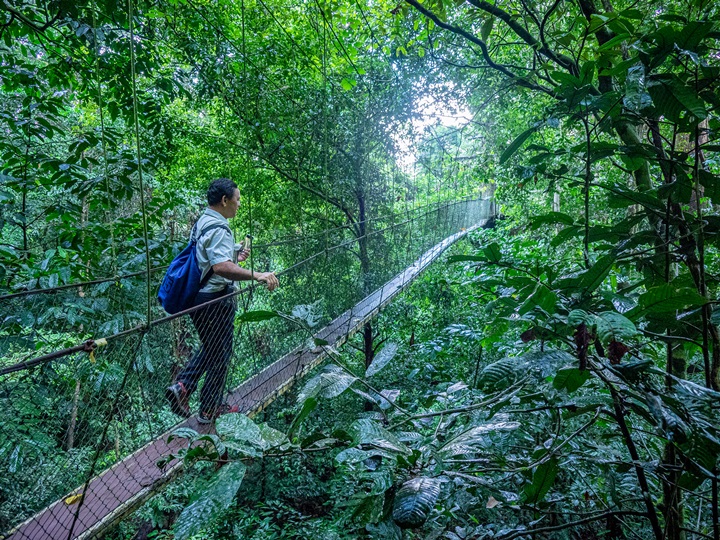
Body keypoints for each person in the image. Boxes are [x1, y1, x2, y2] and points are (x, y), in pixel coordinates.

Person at [166, 178, 279, 424]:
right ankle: (209, 408)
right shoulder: (219, 228)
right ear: (225, 200)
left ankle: (183, 387)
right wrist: (257, 275)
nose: (239, 205)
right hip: (215, 300)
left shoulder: (204, 221)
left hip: (200, 296)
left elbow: (208, 256)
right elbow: (220, 267)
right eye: (237, 200)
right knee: (221, 353)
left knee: (213, 348)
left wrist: (234, 253)